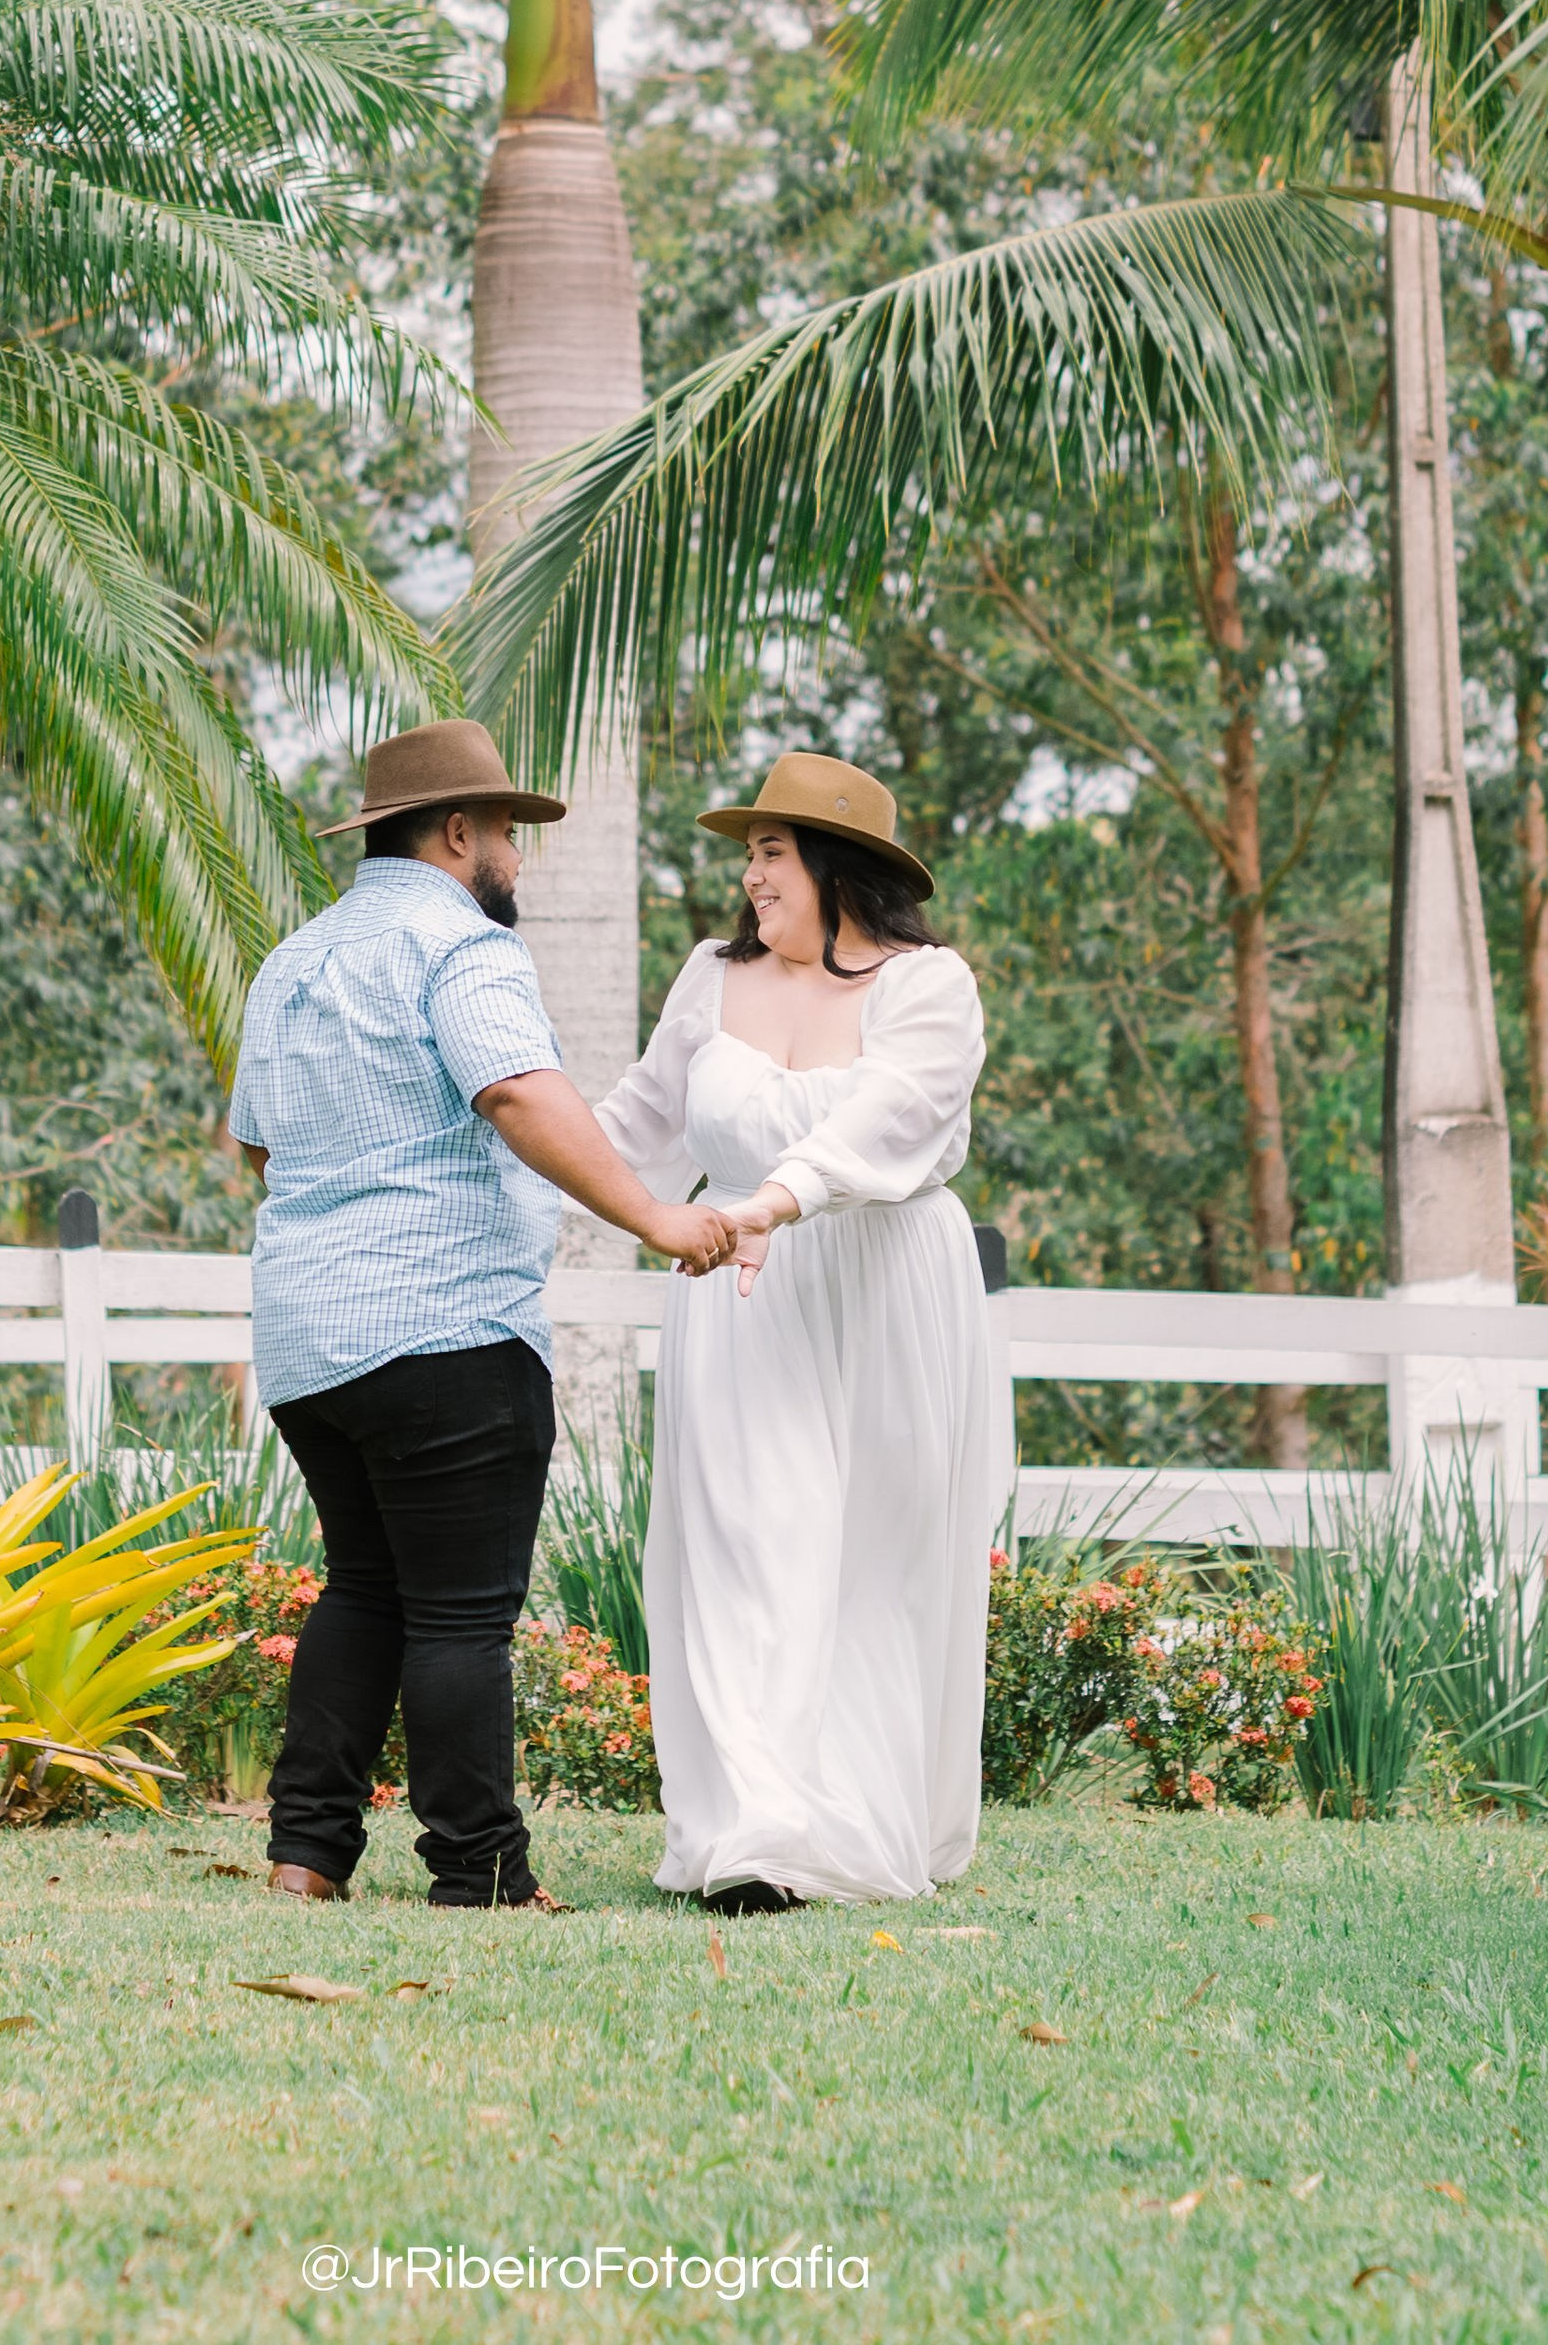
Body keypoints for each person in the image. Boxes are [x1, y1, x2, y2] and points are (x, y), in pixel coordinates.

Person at [225, 718, 735, 1911]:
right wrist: (658, 1219)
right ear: (457, 833)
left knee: (363, 1588)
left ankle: (306, 1856)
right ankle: (482, 1872)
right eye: (508, 832)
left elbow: (255, 1140)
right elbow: (513, 1090)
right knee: (461, 1616)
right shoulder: (462, 950)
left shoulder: (293, 958)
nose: (518, 856)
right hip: (447, 1324)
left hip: (308, 1339)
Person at [594, 751, 994, 1912]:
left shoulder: (929, 986)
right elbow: (633, 1130)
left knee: (874, 1558)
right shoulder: (707, 979)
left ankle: (855, 1824)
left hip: (888, 1290)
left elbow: (892, 1118)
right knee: (746, 1547)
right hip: (737, 1296)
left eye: (771, 850)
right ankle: (756, 1838)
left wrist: (776, 1197)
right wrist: (502, 1151)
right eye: (751, 854)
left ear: (838, 865)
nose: (752, 873)